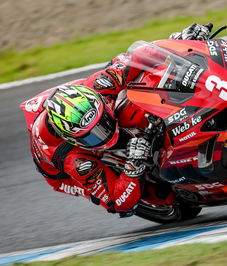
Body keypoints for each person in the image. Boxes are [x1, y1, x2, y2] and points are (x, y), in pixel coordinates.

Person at [20, 24, 211, 217]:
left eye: (103, 123)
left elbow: (138, 57)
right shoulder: (73, 159)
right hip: (60, 174)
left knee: (141, 82)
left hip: (78, 100)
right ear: (74, 140)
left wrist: (179, 41)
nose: (105, 133)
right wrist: (134, 164)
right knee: (151, 196)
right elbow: (118, 201)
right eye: (93, 136)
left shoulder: (99, 86)